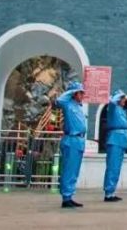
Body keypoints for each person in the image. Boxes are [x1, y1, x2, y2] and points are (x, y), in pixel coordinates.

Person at [55, 81, 87, 209]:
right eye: (80, 92)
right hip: (71, 140)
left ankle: (69, 195)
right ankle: (66, 197)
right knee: (69, 169)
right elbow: (58, 100)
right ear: (74, 94)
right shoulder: (67, 104)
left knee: (74, 171)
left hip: (79, 140)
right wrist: (71, 91)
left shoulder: (78, 106)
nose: (82, 95)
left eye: (82, 92)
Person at [102, 89, 127, 202]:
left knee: (117, 168)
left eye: (124, 97)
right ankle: (108, 192)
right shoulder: (112, 108)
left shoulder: (122, 110)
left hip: (121, 139)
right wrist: (117, 96)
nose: (124, 100)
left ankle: (112, 191)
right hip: (114, 139)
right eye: (122, 98)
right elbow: (112, 102)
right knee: (112, 166)